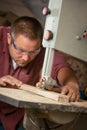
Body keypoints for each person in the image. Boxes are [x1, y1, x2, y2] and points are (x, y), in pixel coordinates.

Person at [0, 16, 80, 130]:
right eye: (21, 50)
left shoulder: (43, 49)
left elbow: (60, 65)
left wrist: (71, 84)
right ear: (9, 38)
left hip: (19, 115)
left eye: (33, 52)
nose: (26, 58)